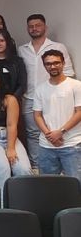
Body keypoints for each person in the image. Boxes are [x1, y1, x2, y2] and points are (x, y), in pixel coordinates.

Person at [20, 14, 75, 169]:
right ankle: (37, 168)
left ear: (45, 27)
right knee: (32, 134)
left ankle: (61, 169)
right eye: (31, 26)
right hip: (29, 98)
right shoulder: (22, 49)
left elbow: (69, 73)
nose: (34, 28)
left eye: (38, 25)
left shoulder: (58, 47)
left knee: (56, 129)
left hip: (54, 97)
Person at [33, 49, 81, 178]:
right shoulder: (40, 89)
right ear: (44, 66)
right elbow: (37, 115)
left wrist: (60, 132)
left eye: (56, 62)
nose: (53, 66)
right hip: (46, 146)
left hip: (72, 144)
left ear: (63, 63)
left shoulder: (76, 85)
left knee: (75, 184)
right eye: (48, 64)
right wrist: (49, 136)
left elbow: (79, 113)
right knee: (47, 185)